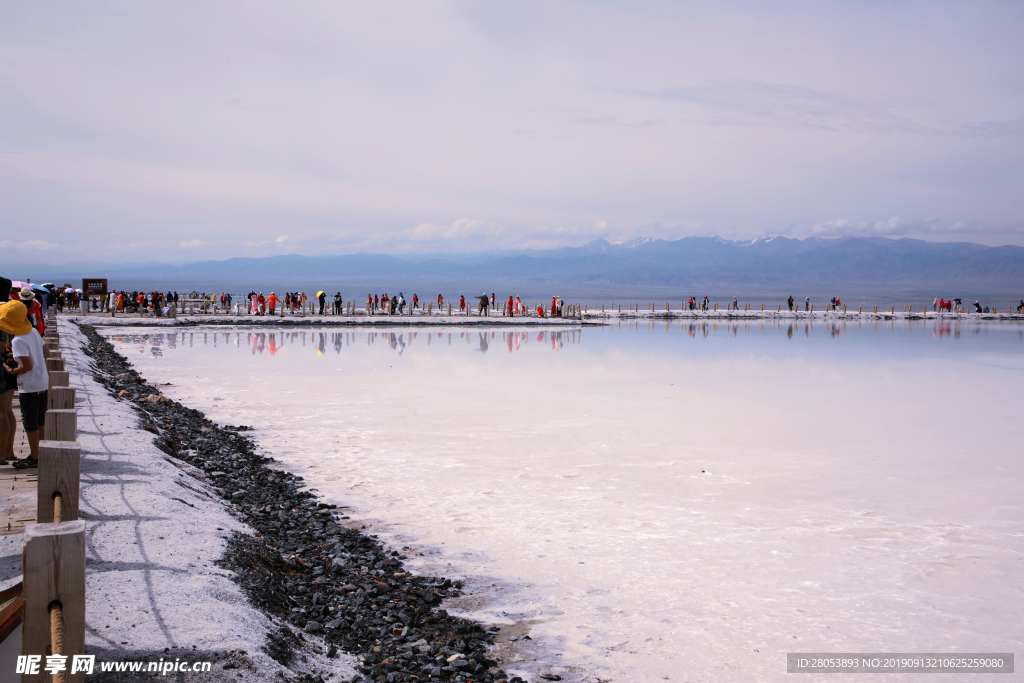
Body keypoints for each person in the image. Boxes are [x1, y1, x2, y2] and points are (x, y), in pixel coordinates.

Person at [5, 300, 49, 468]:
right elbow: (46, 352)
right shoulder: (32, 331)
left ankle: (35, 456)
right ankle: (42, 452)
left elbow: (27, 366)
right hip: (42, 382)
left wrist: (12, 370)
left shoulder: (17, 340)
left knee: (30, 422)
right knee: (40, 421)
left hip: (29, 385)